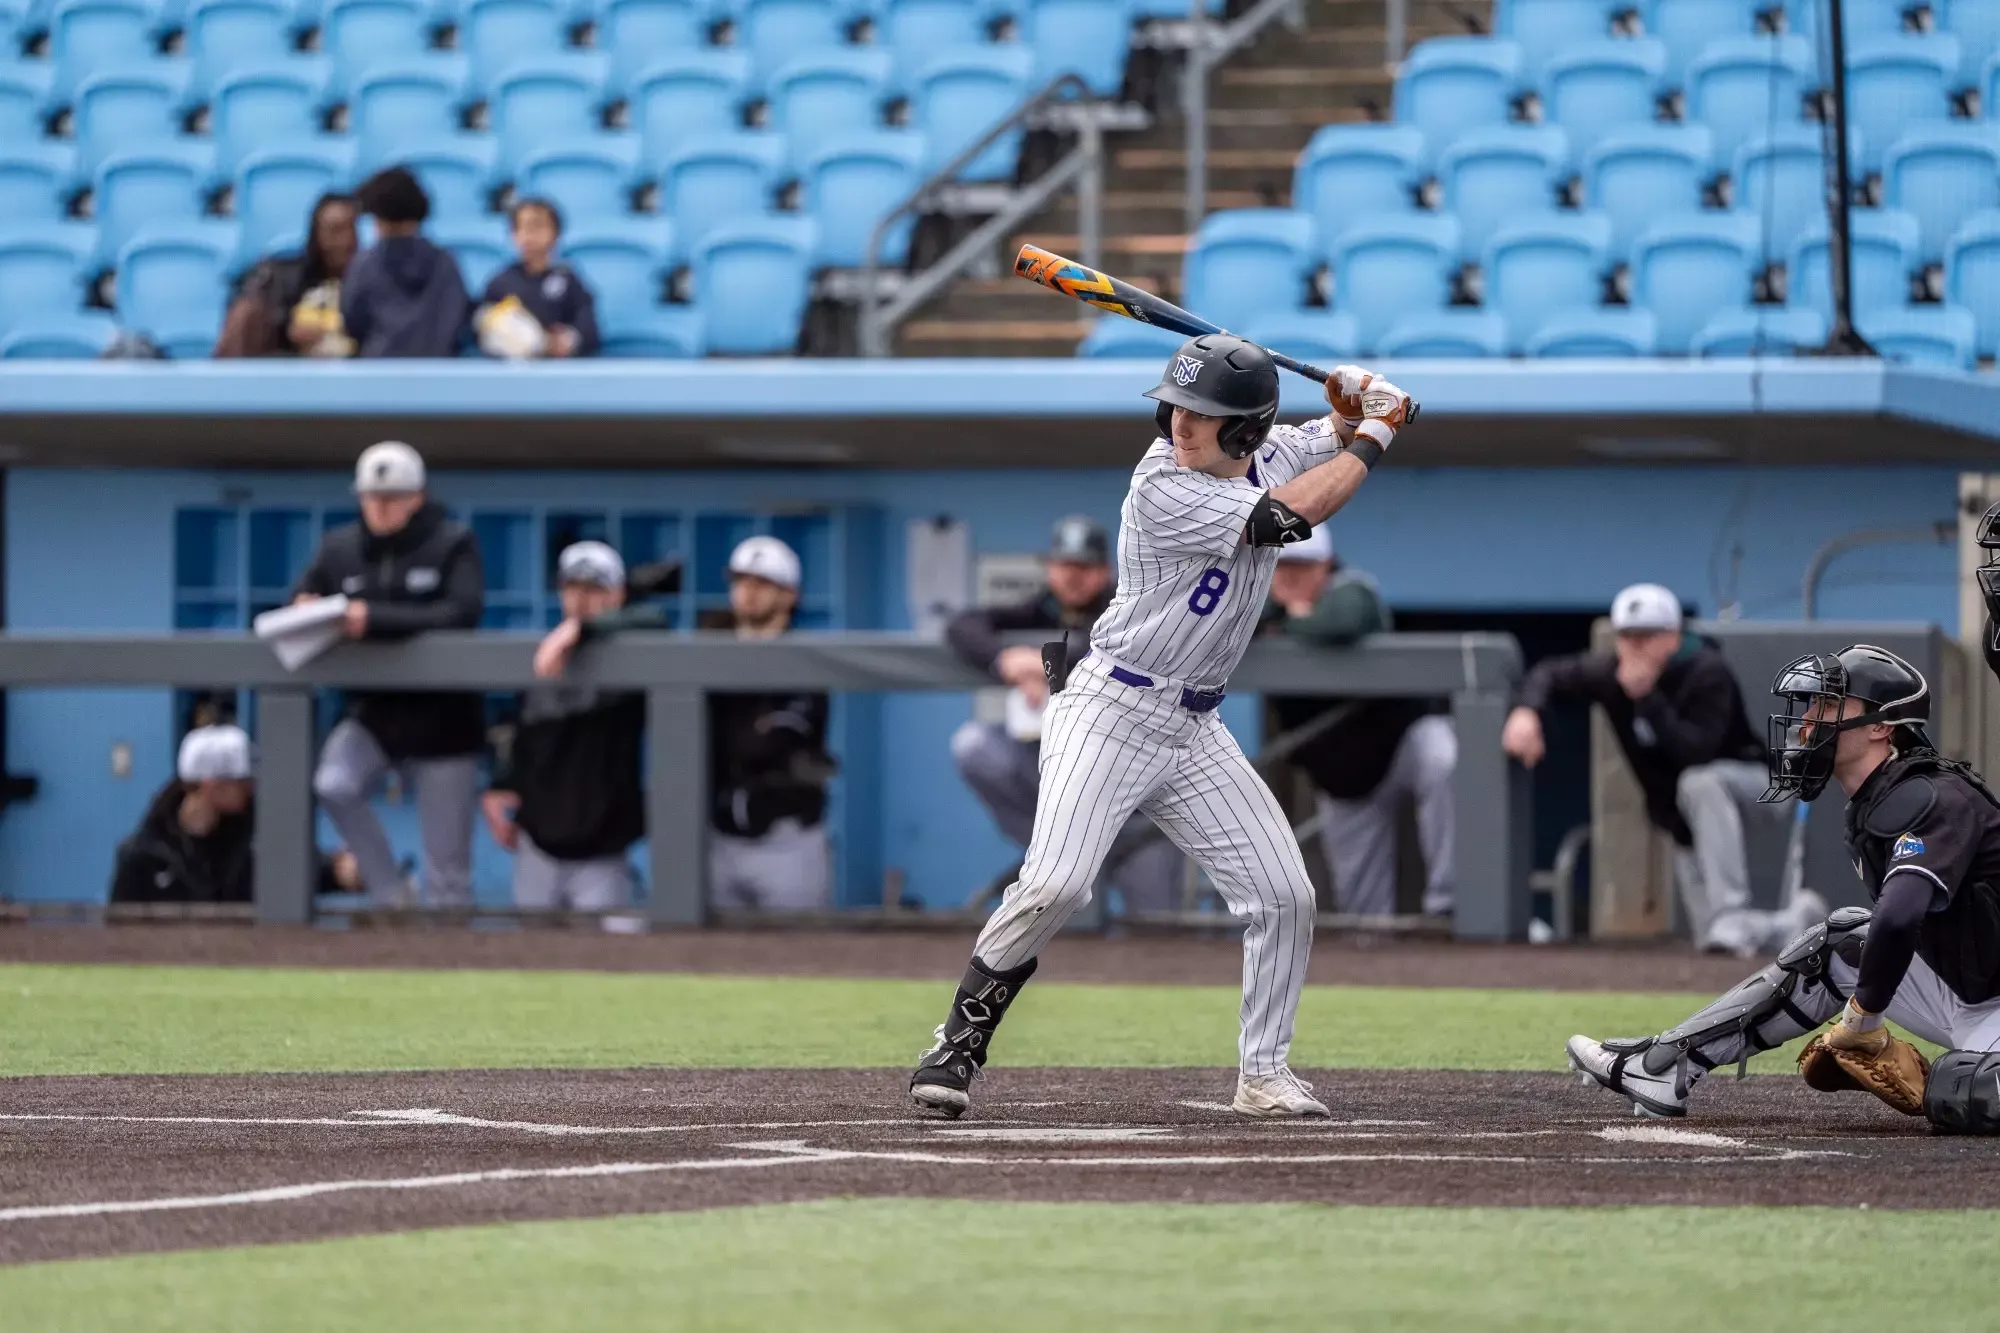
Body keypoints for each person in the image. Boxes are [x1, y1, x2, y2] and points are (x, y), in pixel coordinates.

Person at [907, 337, 1414, 1121]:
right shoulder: (1160, 487)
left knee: (1284, 895)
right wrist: (1380, 429)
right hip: (1109, 706)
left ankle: (1265, 1073)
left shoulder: (1274, 448)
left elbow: (1332, 434)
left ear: (1245, 430)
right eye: (1174, 407)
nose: (1179, 423)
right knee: (1056, 882)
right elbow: (1295, 514)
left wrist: (1361, 399)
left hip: (1195, 726)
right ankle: (958, 1040)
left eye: (1202, 414)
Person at [1566, 645, 2000, 1136]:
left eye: (1829, 706)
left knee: (1962, 1090)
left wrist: (1861, 1022)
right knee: (1840, 944)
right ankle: (1667, 1064)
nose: (1810, 720)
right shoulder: (1878, 799)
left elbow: (1901, 917)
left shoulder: (1930, 797)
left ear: (1881, 726)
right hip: (1973, 994)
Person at [1501, 582, 1825, 955]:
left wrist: (1648, 699)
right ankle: (1793, 924)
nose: (1633, 647)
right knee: (1717, 941)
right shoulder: (1614, 674)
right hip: (1685, 817)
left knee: (1698, 782)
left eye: (1645, 637)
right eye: (1626, 637)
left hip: (1758, 788)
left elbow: (1694, 752)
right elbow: (1551, 674)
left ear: (1672, 636)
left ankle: (1732, 909)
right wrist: (1527, 712)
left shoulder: (1706, 671)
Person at [946, 515, 1182, 913]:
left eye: (1085, 567)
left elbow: (1115, 642)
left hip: (1137, 800)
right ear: (1049, 568)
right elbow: (962, 625)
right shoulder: (1039, 610)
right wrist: (1003, 658)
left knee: (1157, 926)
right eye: (1065, 565)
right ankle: (1048, 841)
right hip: (1064, 784)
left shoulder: (1129, 606)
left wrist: (1045, 662)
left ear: (1105, 570)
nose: (1073, 576)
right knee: (974, 745)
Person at [294, 441, 486, 907]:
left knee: (447, 875)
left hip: (445, 720)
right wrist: (305, 605)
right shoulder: (339, 548)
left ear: (416, 497)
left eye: (392, 497)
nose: (379, 508)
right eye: (371, 497)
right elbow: (305, 595)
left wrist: (373, 619)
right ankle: (390, 891)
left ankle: (450, 969)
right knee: (333, 783)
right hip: (376, 711)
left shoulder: (451, 541)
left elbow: (461, 612)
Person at [1262, 527, 1455, 918]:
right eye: (1281, 566)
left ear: (1327, 565)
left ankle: (1451, 905)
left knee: (1446, 759)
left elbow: (1345, 620)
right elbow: (1227, 617)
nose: (1289, 576)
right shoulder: (1253, 598)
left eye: (1302, 565)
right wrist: (1284, 614)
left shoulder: (1353, 588)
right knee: (1363, 918)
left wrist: (1290, 623)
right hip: (1343, 776)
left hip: (1402, 740)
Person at [483, 541, 653, 918]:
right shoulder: (542, 653)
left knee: (602, 959)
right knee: (532, 955)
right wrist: (500, 782)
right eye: (573, 588)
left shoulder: (633, 651)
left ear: (618, 594)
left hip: (602, 843)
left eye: (595, 590)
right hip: (538, 839)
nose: (582, 599)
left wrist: (583, 629)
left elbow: (654, 618)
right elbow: (517, 730)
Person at [709, 535, 837, 912]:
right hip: (719, 837)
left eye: (762, 583)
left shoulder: (805, 658)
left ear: (789, 595)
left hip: (787, 838)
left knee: (800, 957)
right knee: (706, 959)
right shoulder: (711, 652)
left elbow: (767, 744)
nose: (748, 592)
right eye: (741, 582)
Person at [109, 725, 255, 904]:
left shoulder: (252, 847)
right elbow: (120, 926)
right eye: (240, 781)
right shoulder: (143, 856)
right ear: (211, 784)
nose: (249, 789)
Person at [340, 166, 471, 358]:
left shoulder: (365, 265)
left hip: (379, 371)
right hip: (438, 372)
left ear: (377, 218)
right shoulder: (445, 262)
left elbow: (353, 321)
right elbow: (458, 321)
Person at [214, 193, 358, 358]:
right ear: (316, 234)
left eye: (351, 229)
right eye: (335, 231)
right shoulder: (284, 276)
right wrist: (290, 329)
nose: (345, 241)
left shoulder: (372, 278)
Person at [476, 198, 600, 360]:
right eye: (522, 228)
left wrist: (568, 340)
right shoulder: (500, 282)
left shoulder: (569, 280)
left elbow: (588, 328)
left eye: (538, 227)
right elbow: (483, 325)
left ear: (556, 233)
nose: (529, 235)